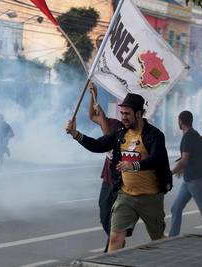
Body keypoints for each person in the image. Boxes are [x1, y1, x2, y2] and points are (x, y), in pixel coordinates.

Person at [66, 93, 172, 252]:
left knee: (158, 239)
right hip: (126, 196)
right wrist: (76, 134)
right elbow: (98, 145)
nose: (123, 117)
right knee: (115, 239)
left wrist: (133, 166)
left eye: (127, 114)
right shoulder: (120, 133)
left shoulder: (154, 135)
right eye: (122, 113)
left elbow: (158, 159)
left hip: (150, 197)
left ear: (139, 114)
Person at [169, 111, 202, 237]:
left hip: (196, 180)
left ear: (180, 121)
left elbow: (185, 159)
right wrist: (182, 169)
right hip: (190, 179)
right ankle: (172, 236)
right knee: (176, 207)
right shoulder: (194, 134)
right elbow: (193, 157)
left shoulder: (188, 137)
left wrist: (171, 172)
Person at [87, 82, 120, 252]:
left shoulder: (123, 129)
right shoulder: (112, 122)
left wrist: (103, 114)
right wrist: (93, 95)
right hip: (107, 178)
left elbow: (108, 135)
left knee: (115, 217)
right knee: (103, 212)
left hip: (119, 181)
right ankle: (116, 241)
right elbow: (92, 115)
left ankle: (113, 245)